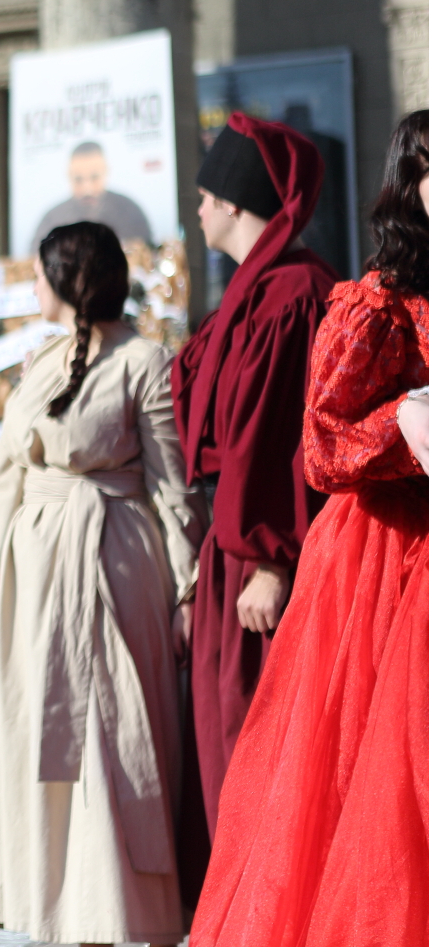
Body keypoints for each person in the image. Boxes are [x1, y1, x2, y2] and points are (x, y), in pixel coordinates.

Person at [189, 112, 429, 947]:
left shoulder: (296, 289)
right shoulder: (372, 303)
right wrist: (406, 421)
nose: (198, 209)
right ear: (412, 180)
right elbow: (318, 445)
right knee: (369, 785)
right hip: (382, 563)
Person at [0, 221, 204, 947]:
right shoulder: (40, 363)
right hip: (34, 581)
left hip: (116, 567)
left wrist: (188, 591)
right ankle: (72, 918)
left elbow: (174, 487)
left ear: (70, 279)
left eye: (39, 273)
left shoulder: (145, 362)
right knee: (44, 741)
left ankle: (147, 922)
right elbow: (6, 472)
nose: (32, 285)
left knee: (119, 742)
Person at [170, 114, 337, 835]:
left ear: (234, 204)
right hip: (229, 551)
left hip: (266, 556)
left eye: (206, 197)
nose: (199, 210)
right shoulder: (248, 295)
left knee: (261, 753)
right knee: (224, 754)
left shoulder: (294, 295)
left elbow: (281, 443)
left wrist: (271, 560)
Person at [31, 142, 155, 253]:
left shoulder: (129, 212)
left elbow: (146, 255)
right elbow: (34, 259)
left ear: (106, 172)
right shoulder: (53, 219)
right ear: (68, 176)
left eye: (94, 177)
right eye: (78, 179)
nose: (87, 189)